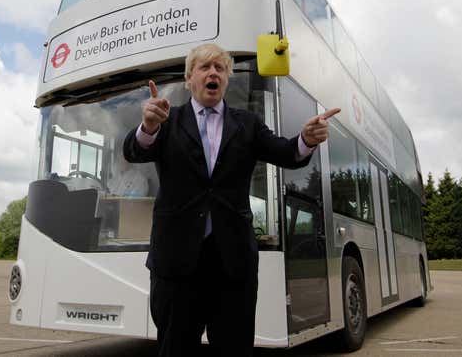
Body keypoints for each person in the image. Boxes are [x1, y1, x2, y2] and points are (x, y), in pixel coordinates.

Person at [123, 43, 340, 357]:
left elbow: (285, 152)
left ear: (226, 79)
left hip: (233, 263)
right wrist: (148, 126)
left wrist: (306, 140)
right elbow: (134, 150)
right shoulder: (167, 120)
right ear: (189, 78)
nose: (213, 72)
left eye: (220, 68)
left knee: (235, 347)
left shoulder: (247, 124)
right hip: (176, 263)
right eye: (205, 67)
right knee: (174, 348)